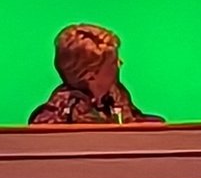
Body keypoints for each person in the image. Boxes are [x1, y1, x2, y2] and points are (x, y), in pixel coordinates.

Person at [28, 23, 164, 125]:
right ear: (90, 75)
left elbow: (133, 121)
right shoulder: (61, 110)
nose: (120, 63)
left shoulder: (116, 94)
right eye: (113, 62)